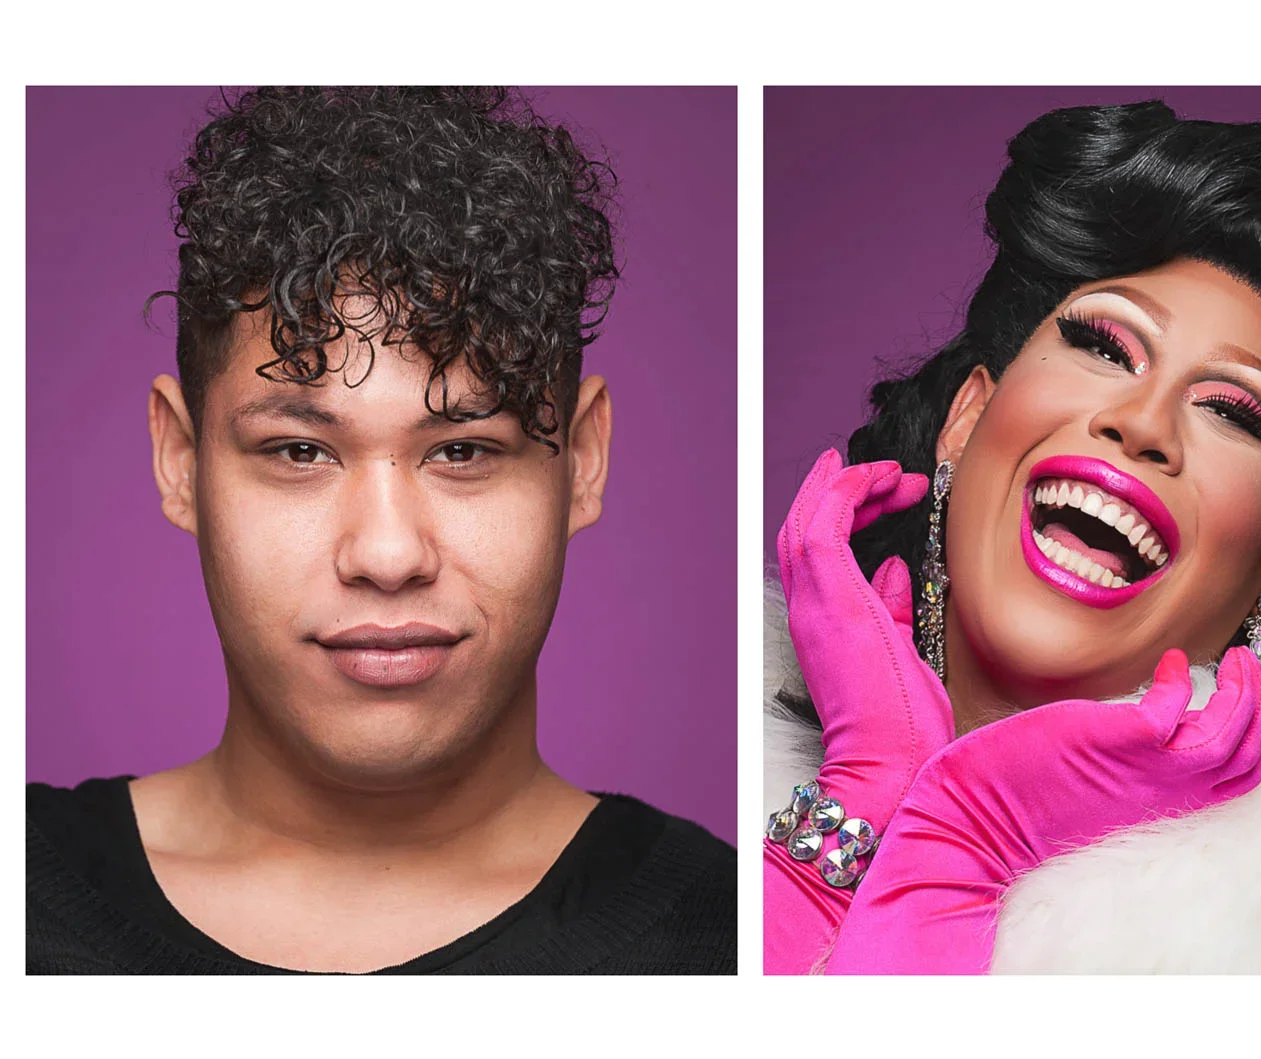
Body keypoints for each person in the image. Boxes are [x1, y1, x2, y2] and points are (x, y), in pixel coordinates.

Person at [27, 86, 735, 975]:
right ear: (181, 459)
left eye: (465, 450)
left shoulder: (731, 943)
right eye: (298, 450)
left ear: (582, 460)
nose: (388, 555)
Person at [763, 101, 1261, 974]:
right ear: (967, 418)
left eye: (1234, 411)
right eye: (1105, 345)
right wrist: (871, 782)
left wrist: (966, 829)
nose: (1143, 423)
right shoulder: (719, 797)